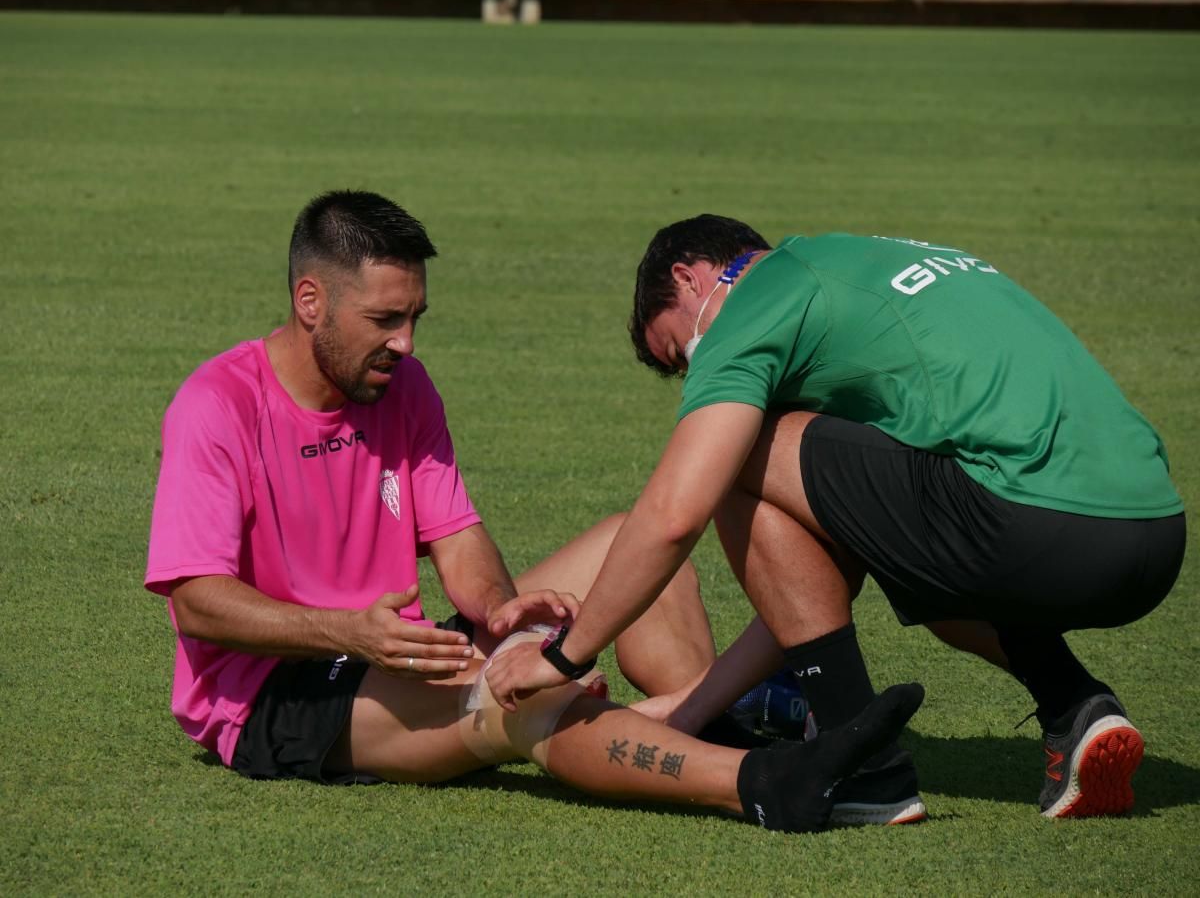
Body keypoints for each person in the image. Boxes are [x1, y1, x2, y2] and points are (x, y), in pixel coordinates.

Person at [143, 192, 924, 834]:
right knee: (518, 698)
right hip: (277, 699)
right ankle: (763, 781)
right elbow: (198, 603)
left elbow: (456, 534)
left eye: (415, 317)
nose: (407, 343)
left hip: (400, 653)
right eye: (385, 320)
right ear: (310, 300)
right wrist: (349, 631)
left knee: (629, 543)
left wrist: (498, 608)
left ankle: (701, 723)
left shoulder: (401, 388)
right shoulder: (216, 405)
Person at [485, 215, 1186, 820]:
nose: (691, 369)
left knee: (733, 450)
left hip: (1033, 522)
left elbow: (673, 513)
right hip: (1154, 534)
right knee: (915, 565)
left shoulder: (759, 297)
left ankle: (863, 762)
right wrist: (691, 711)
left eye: (677, 350)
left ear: (693, 278)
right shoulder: (856, 265)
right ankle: (1075, 704)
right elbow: (814, 585)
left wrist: (562, 656)